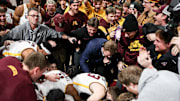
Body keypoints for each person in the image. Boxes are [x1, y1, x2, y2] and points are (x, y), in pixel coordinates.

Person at [0, 7, 75, 46]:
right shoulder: (19, 29)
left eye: (37, 16)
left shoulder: (44, 28)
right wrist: (6, 42)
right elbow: (6, 37)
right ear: (27, 17)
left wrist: (69, 38)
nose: (35, 18)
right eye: (33, 16)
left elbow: (58, 34)